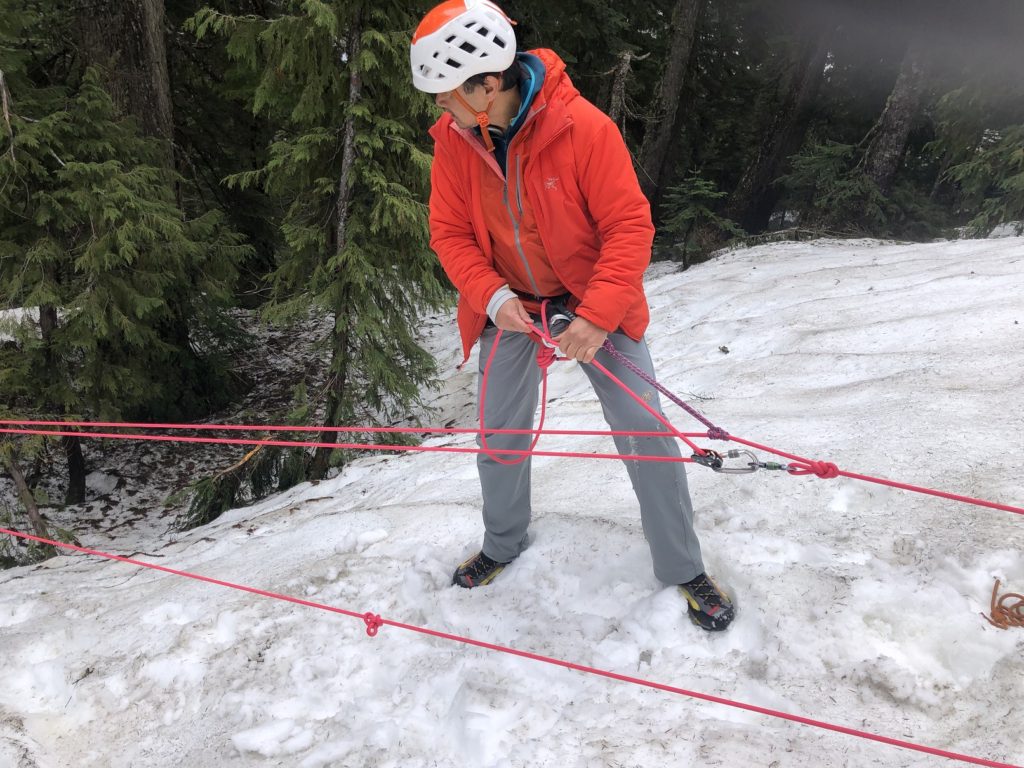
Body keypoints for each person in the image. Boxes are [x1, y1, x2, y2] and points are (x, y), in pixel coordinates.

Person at [410, 0, 735, 631]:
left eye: (446, 92)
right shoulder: (454, 143)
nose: (439, 108)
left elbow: (628, 226)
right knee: (498, 433)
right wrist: (493, 297)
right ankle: (502, 544)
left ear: (487, 84)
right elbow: (449, 233)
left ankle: (683, 567)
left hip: (594, 303)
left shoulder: (581, 128)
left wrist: (595, 315)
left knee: (645, 430)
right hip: (512, 309)